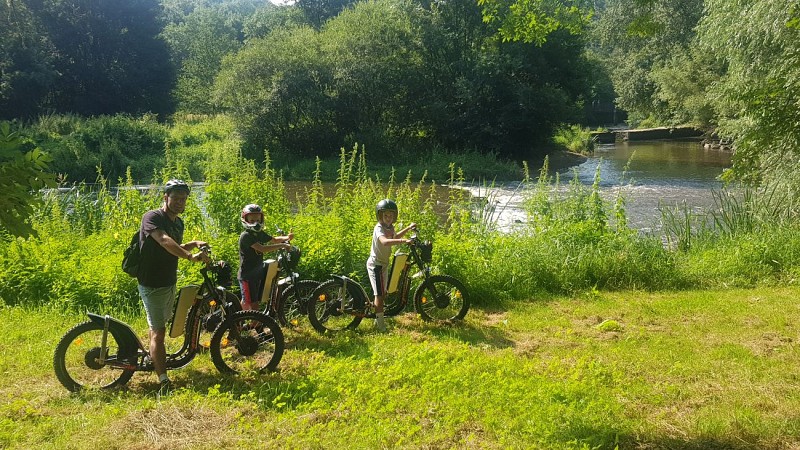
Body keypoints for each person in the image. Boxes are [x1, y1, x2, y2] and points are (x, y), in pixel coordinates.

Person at [137, 179, 208, 393]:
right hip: (152, 282)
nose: (180, 202)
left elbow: (174, 246)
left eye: (183, 199)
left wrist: (193, 244)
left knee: (158, 327)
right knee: (159, 332)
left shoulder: (178, 222)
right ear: (165, 197)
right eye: (175, 198)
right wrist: (190, 256)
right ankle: (163, 380)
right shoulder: (152, 217)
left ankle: (153, 356)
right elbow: (163, 240)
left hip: (168, 280)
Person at [366, 199, 416, 332]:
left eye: (391, 215)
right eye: (386, 215)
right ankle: (380, 326)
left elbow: (395, 236)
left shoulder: (390, 227)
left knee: (383, 293)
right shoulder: (379, 228)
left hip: (383, 265)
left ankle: (377, 318)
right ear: (380, 216)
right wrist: (403, 241)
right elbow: (384, 242)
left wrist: (408, 228)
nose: (388, 218)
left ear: (394, 216)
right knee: (379, 295)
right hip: (376, 265)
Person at [238, 204, 293, 311]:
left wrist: (287, 237)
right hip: (247, 275)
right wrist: (282, 245)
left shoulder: (259, 233)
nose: (256, 223)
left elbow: (274, 240)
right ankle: (251, 321)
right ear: (245, 220)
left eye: (258, 220)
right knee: (252, 303)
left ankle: (241, 318)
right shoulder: (246, 236)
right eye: (252, 220)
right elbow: (262, 249)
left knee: (249, 299)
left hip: (256, 271)